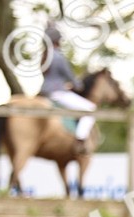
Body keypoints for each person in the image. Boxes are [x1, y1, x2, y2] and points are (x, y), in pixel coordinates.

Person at [39, 24, 95, 156]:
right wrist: (78, 85)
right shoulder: (58, 56)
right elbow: (69, 77)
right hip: (57, 92)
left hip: (43, 91)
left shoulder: (44, 56)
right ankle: (81, 139)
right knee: (90, 109)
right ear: (57, 41)